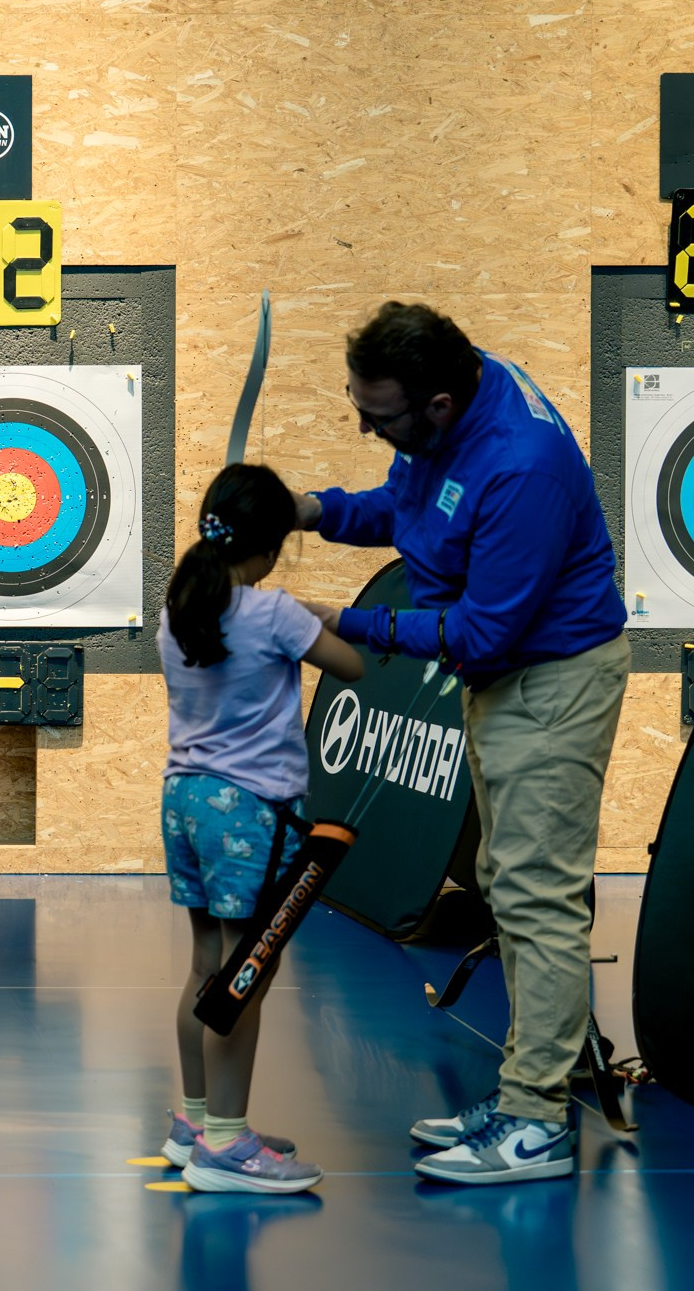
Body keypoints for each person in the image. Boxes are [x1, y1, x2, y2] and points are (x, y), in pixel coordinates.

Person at [299, 301, 629, 1185]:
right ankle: (531, 1085)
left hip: (552, 679)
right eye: (357, 403)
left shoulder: (520, 468)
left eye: (381, 414)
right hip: (513, 681)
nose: (367, 425)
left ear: (439, 402)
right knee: (507, 885)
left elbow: (481, 634)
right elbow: (405, 510)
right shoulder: (455, 401)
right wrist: (308, 509)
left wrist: (342, 621)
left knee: (537, 896)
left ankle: (538, 1122)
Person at [155, 465, 365, 1193]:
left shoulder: (179, 608)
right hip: (248, 813)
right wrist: (317, 616)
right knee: (245, 975)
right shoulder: (274, 614)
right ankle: (228, 1143)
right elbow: (354, 664)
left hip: (184, 800)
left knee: (206, 965)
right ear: (272, 546)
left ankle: (194, 1122)